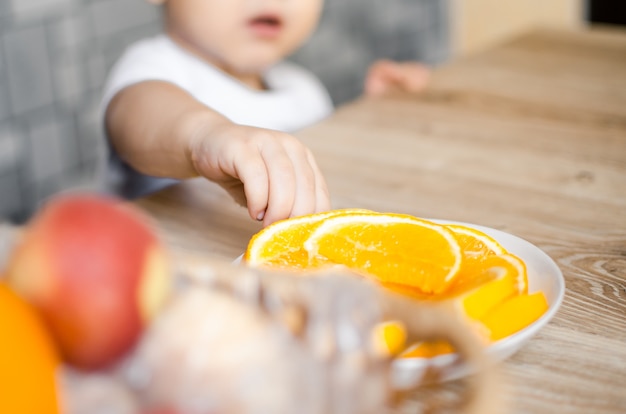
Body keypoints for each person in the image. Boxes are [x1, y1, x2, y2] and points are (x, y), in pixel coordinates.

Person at [101, 0, 430, 227]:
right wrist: (204, 135)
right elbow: (139, 116)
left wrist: (372, 117)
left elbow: (325, 174)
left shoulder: (303, 88)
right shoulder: (155, 68)